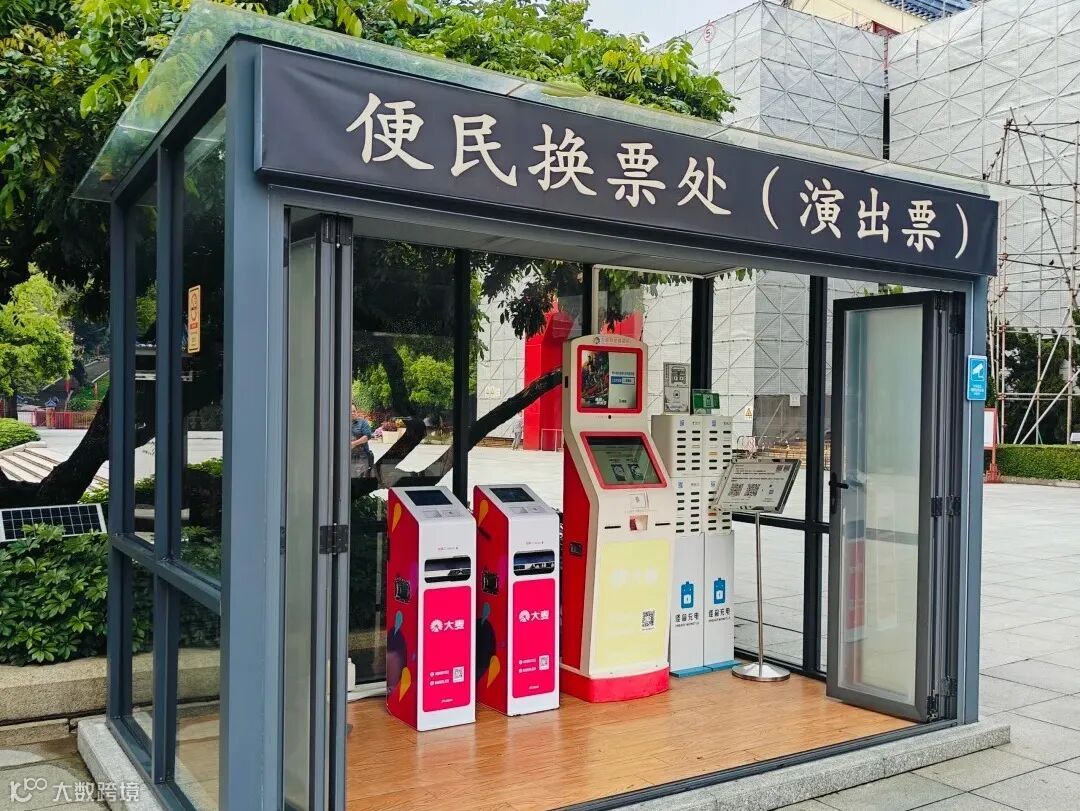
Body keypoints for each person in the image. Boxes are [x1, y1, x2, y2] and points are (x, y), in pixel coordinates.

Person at [351, 404, 375, 478]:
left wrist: (354, 443)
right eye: (350, 411)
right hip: (347, 456)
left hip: (361, 456)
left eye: (354, 411)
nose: (352, 413)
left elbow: (367, 436)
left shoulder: (363, 422)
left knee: (360, 478)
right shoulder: (341, 423)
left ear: (357, 411)